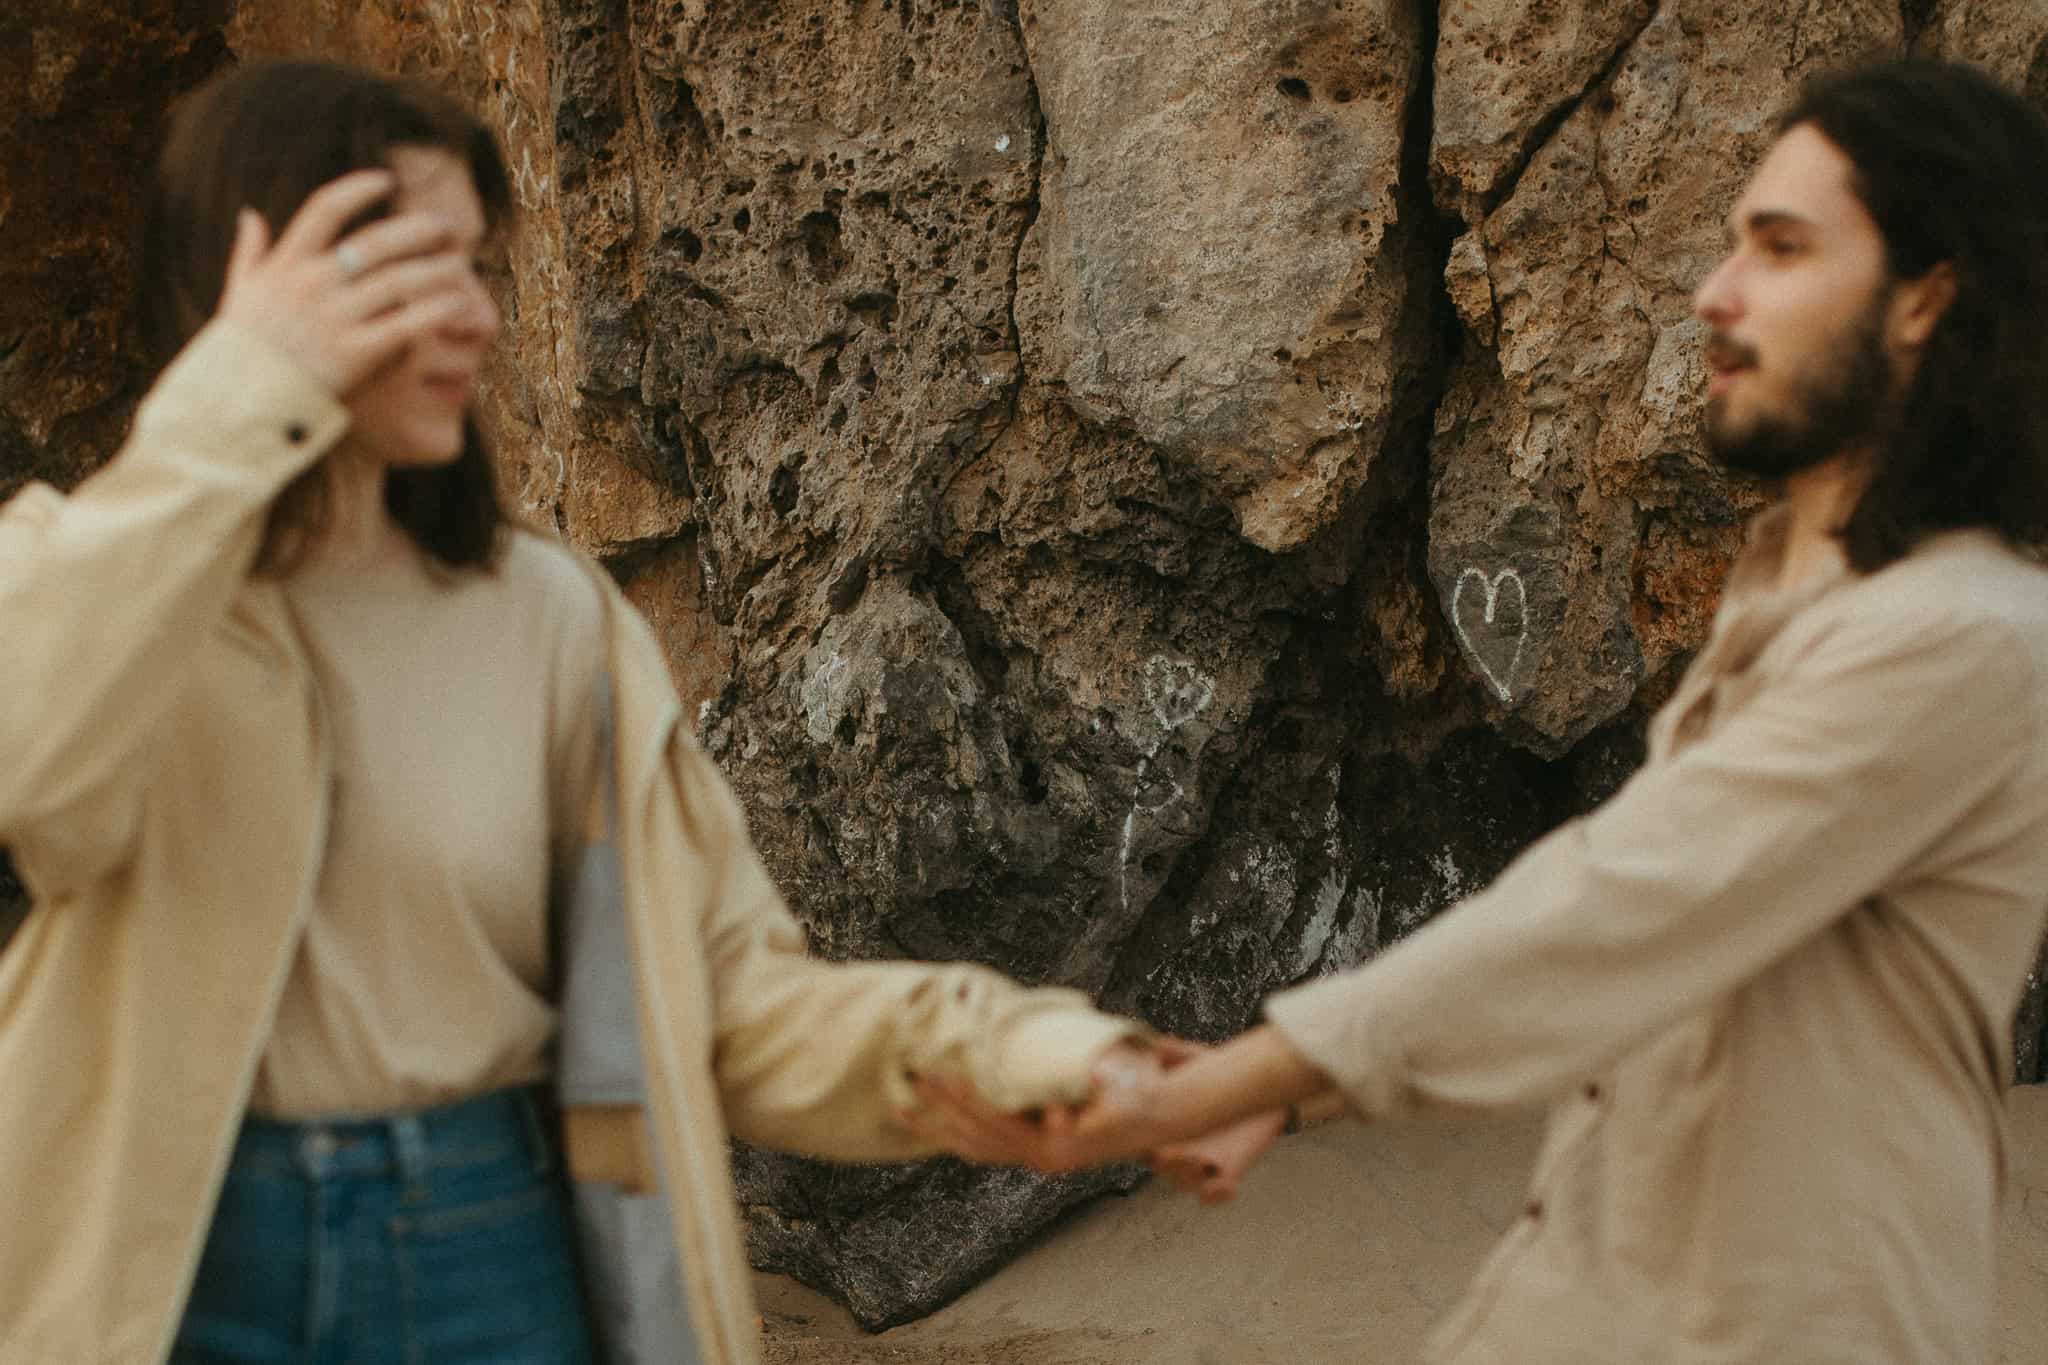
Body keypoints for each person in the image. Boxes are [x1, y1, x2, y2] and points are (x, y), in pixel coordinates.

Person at [0, 59, 1156, 1365]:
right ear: (254, 283)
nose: (480, 316)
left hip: (503, 1250)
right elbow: (30, 774)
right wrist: (238, 399)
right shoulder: (95, 587)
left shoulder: (547, 618)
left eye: (478, 265)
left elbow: (732, 999)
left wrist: (1018, 1050)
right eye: (411, 265)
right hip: (171, 1271)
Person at [909, 58, 2048, 1365]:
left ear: (1928, 299)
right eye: (1731, 243)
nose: (1715, 294)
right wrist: (1280, 1107)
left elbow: (1624, 905)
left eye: (1780, 250)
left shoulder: (1965, 642)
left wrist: (1227, 1082)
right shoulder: (1805, 606)